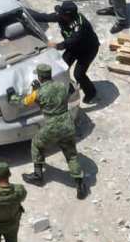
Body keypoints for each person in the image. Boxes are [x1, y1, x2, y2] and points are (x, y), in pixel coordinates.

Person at [20, 64, 88, 199]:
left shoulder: (38, 93)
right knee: (71, 155)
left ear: (39, 77)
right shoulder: (61, 86)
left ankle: (38, 175)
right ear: (49, 75)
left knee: (36, 144)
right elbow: (70, 90)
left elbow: (25, 102)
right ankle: (80, 184)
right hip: (68, 124)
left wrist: (19, 96)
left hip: (52, 126)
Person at [30, 1, 100, 103]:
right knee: (62, 67)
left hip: (87, 50)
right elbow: (44, 17)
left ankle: (91, 92)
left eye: (63, 15)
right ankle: (64, 87)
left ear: (69, 16)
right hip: (73, 48)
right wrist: (25, 14)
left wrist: (56, 45)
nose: (60, 16)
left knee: (79, 74)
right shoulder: (61, 16)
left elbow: (71, 41)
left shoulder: (80, 26)